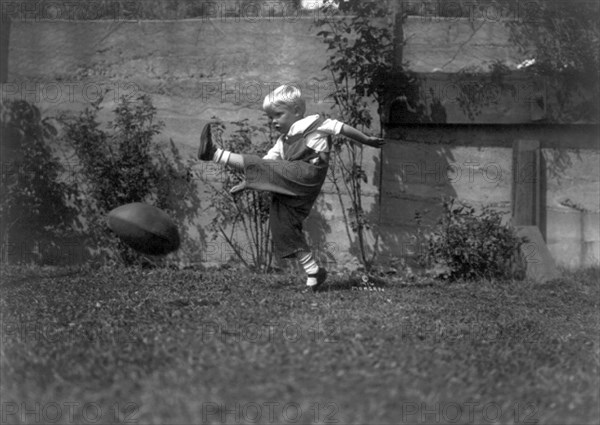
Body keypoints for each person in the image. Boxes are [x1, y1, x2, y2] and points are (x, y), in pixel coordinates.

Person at [198, 85, 384, 291]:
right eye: (270, 117)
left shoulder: (315, 123)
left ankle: (214, 154)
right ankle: (314, 272)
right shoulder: (282, 142)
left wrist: (366, 139)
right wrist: (248, 183)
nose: (274, 121)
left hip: (306, 174)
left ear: (296, 110)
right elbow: (266, 164)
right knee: (282, 225)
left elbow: (342, 128)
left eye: (278, 114)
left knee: (269, 170)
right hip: (293, 183)